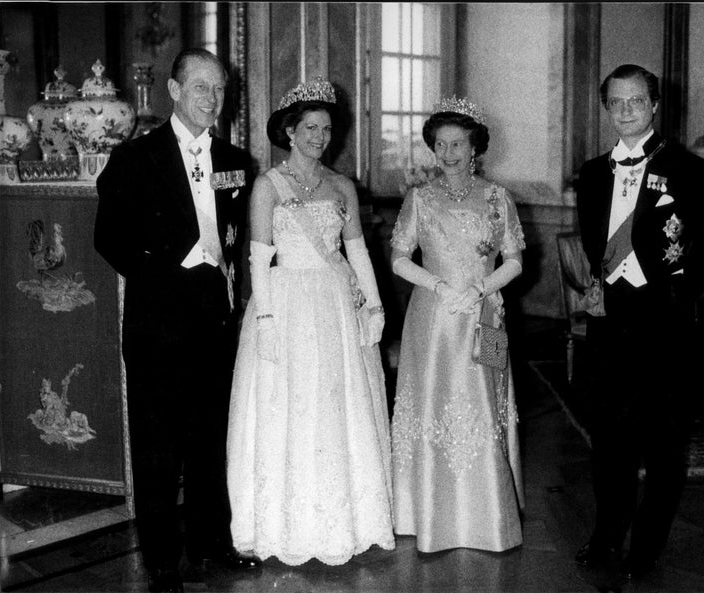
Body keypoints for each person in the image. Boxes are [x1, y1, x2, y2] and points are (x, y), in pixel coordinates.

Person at [95, 48, 256, 593]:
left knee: (211, 436)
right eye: (201, 88)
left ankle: (212, 540)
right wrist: (175, 260)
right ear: (173, 89)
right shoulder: (135, 158)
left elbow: (239, 241)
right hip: (158, 319)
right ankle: (162, 558)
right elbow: (109, 239)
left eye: (220, 90)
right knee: (158, 444)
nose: (212, 100)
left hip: (215, 318)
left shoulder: (237, 159)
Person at [225, 77, 395, 566]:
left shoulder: (342, 186)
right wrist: (268, 318)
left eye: (326, 128)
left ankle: (343, 521)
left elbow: (359, 254)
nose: (320, 137)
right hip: (287, 300)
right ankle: (285, 525)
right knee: (289, 408)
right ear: (290, 131)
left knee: (337, 407)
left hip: (336, 305)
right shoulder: (267, 185)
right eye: (310, 128)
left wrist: (376, 306)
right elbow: (259, 259)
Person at [574, 64, 704, 580]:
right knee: (610, 440)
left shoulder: (689, 169)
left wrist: (676, 289)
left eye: (636, 102)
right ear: (606, 107)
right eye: (615, 103)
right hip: (611, 323)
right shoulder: (592, 174)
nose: (626, 112)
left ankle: (646, 546)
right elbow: (595, 243)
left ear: (655, 104)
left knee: (663, 443)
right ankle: (606, 536)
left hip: (666, 324)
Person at [389, 96, 526, 552]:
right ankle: (422, 511)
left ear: (474, 149)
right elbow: (398, 259)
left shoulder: (496, 197)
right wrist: (438, 285)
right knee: (432, 401)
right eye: (440, 144)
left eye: (457, 144)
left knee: (487, 400)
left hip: (487, 317)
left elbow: (515, 261)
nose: (448, 153)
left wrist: (480, 289)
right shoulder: (420, 199)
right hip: (432, 318)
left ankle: (487, 514)